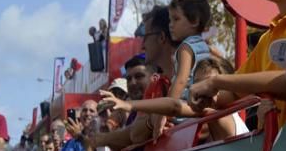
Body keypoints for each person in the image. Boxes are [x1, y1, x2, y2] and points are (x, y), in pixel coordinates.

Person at [101, 56, 247, 142]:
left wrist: (128, 104)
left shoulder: (220, 115)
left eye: (210, 83)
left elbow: (175, 107)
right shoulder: (204, 113)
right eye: (197, 83)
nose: (202, 89)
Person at [167, 0, 212, 102]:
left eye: (176, 19)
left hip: (185, 109)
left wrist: (166, 107)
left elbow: (181, 80)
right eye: (170, 20)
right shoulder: (205, 46)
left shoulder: (186, 48)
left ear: (195, 21)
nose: (171, 24)